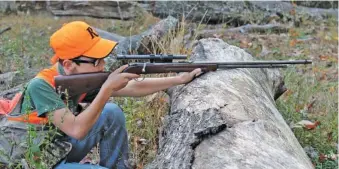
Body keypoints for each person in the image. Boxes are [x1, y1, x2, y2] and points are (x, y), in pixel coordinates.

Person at [0, 21, 201, 169]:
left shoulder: (77, 76)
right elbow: (77, 130)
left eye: (102, 58)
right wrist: (106, 90)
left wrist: (178, 79)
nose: (103, 65)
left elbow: (133, 87)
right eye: (96, 61)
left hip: (59, 146)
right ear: (69, 65)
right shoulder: (41, 86)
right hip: (35, 161)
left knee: (111, 112)